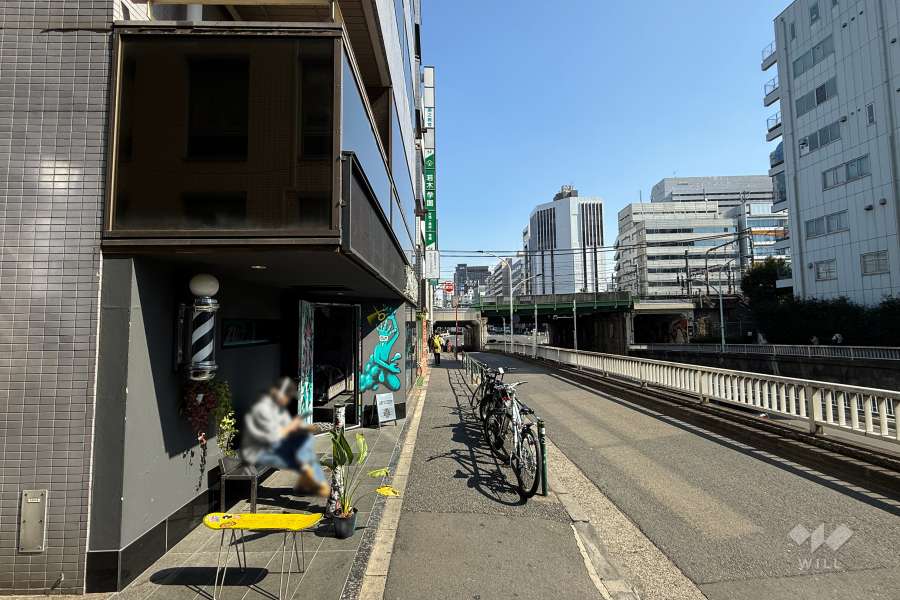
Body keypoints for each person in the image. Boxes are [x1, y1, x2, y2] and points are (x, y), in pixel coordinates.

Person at [241, 377, 329, 496]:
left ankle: (309, 482)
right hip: (257, 451)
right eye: (286, 396)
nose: (288, 400)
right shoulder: (262, 408)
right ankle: (314, 483)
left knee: (304, 444)